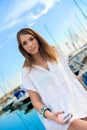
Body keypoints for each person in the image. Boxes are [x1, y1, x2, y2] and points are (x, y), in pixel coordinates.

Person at [17, 28, 87, 130]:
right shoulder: (27, 71)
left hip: (80, 102)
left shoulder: (54, 52)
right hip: (61, 116)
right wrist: (50, 115)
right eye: (25, 43)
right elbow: (35, 101)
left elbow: (70, 76)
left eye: (31, 39)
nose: (30, 45)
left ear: (37, 38)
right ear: (22, 48)